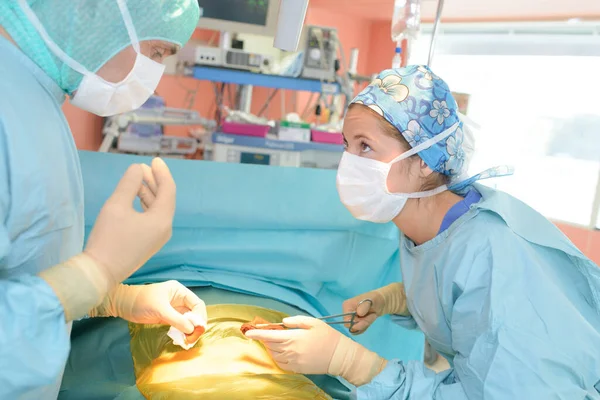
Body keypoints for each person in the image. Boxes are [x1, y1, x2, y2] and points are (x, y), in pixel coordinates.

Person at [246, 65, 600, 398]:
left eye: (365, 146)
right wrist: (398, 300)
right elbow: (458, 294)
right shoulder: (429, 225)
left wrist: (352, 363)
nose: (348, 162)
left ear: (421, 161)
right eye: (346, 145)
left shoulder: (493, 255)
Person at [0, 1, 204, 398]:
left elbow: (22, 266)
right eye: (157, 52)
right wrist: (94, 271)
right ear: (94, 11)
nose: (155, 78)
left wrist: (113, 297)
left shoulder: (31, 98)